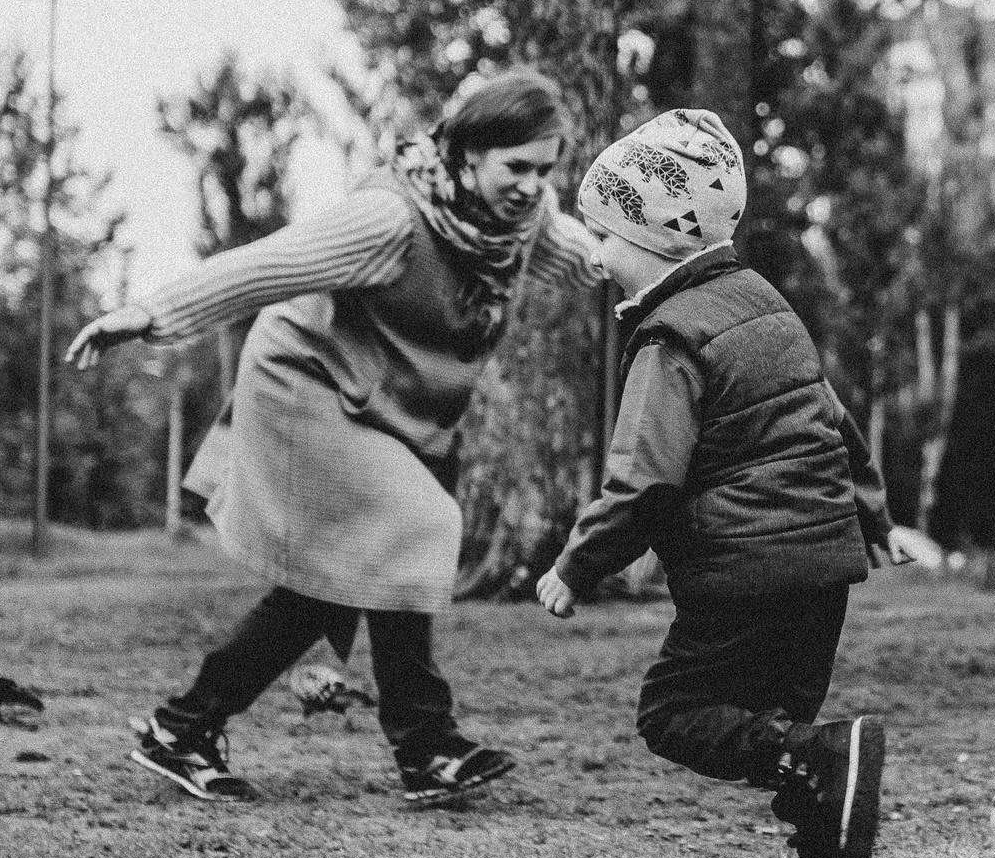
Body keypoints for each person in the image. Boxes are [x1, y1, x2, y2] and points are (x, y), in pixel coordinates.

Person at [67, 68, 603, 808]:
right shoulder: (390, 220)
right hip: (303, 386)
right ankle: (426, 745)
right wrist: (151, 313)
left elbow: (583, 255)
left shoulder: (516, 223)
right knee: (417, 525)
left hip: (378, 403)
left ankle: (183, 727)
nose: (531, 186)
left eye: (544, 170)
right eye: (516, 167)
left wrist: (661, 263)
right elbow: (266, 267)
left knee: (333, 583)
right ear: (467, 154)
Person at [535, 108, 923, 858]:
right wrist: (875, 516)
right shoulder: (766, 306)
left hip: (743, 568)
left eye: (602, 234)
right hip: (823, 563)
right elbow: (832, 420)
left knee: (675, 713)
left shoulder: (670, 337)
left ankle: (826, 766)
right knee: (779, 728)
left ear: (652, 235)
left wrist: (577, 565)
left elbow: (645, 478)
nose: (596, 255)